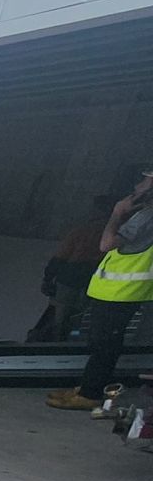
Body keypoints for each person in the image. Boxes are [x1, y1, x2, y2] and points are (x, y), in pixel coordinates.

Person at [49, 165, 153, 411]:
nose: (137, 186)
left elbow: (106, 244)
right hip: (120, 291)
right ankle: (87, 388)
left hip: (122, 292)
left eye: (144, 182)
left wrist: (117, 213)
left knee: (104, 346)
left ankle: (91, 393)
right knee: (101, 344)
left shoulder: (146, 217)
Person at [29, 195, 112, 344]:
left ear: (99, 210)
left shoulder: (82, 230)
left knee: (60, 314)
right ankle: (68, 341)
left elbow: (60, 257)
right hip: (95, 279)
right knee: (79, 314)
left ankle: (54, 343)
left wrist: (48, 279)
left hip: (71, 277)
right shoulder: (115, 234)